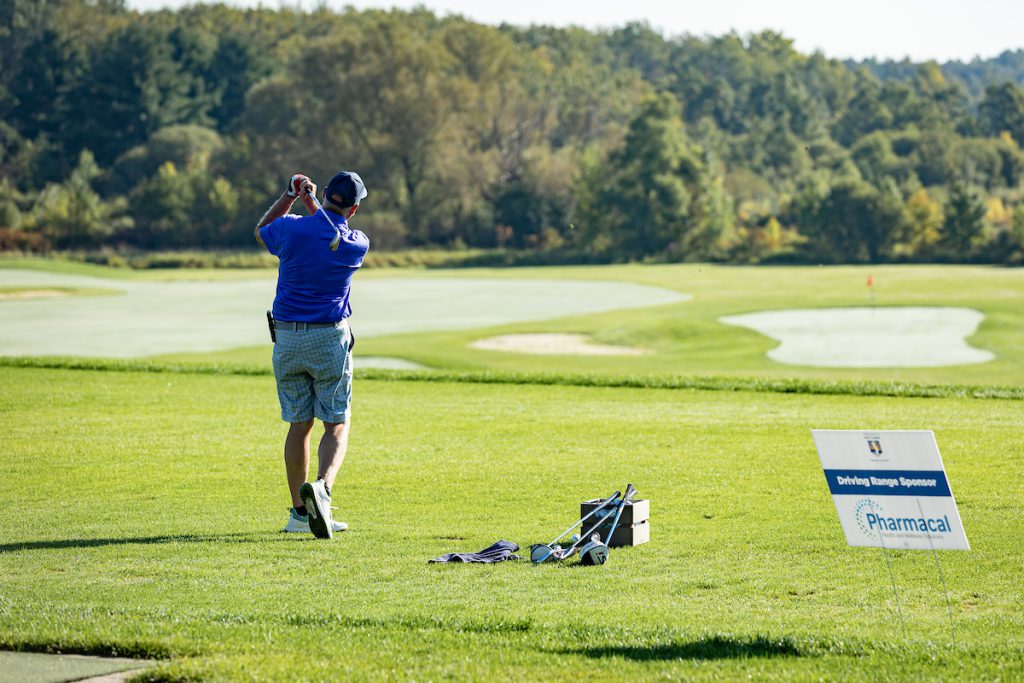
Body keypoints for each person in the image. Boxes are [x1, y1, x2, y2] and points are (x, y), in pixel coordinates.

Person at [255, 171, 369, 539]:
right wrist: (308, 205)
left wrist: (290, 195)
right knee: (336, 423)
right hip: (327, 340)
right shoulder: (355, 243)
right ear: (352, 209)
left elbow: (262, 229)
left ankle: (299, 514)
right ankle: (323, 489)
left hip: (286, 338)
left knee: (299, 425)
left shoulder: (291, 229)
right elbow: (332, 232)